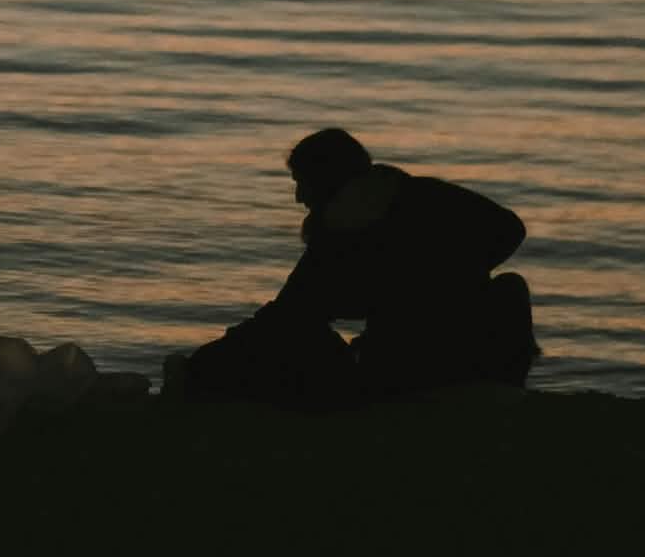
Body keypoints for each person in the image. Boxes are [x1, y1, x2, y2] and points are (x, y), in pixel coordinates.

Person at [173, 126, 538, 405]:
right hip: (472, 352)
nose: (298, 198)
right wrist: (456, 268)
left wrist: (206, 360)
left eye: (301, 184)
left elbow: (289, 314)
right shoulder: (423, 194)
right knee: (509, 286)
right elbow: (509, 229)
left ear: (324, 181)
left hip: (406, 368)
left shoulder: (342, 232)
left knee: (302, 343)